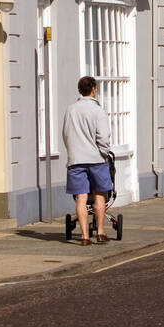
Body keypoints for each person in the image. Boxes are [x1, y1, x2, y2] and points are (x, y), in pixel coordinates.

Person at [61, 76, 113, 244]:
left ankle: (84, 236)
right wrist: (104, 153)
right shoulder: (98, 111)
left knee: (81, 197)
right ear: (93, 89)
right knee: (99, 195)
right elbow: (103, 137)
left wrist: (72, 152)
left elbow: (66, 133)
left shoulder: (70, 110)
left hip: (76, 159)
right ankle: (100, 232)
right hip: (96, 159)